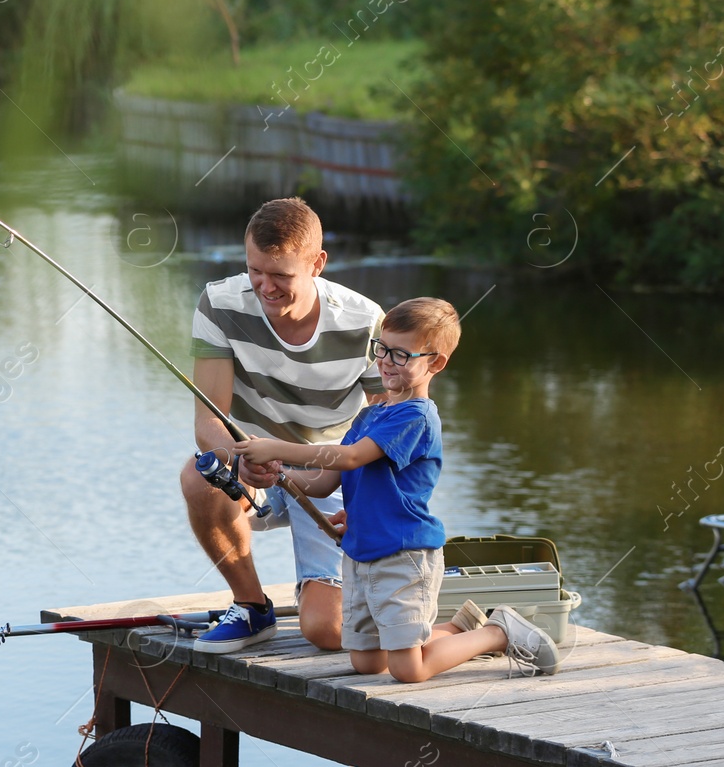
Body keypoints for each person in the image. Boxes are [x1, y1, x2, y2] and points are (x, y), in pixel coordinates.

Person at [232, 297, 559, 681]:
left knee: (408, 669)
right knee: (367, 662)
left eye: (401, 354)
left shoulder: (415, 416)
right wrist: (279, 473)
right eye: (382, 349)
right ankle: (460, 627)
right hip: (361, 553)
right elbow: (323, 482)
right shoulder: (372, 415)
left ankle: (498, 631)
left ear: (435, 363)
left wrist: (277, 446)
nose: (385, 361)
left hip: (404, 555)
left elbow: (351, 458)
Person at [183, 198, 384, 654]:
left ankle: (415, 605)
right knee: (200, 476)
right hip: (256, 465)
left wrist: (369, 503)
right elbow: (209, 420)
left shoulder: (364, 321)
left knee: (327, 632)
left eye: (281, 276)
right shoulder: (219, 302)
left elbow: (387, 431)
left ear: (317, 264)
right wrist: (240, 456)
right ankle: (252, 607)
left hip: (332, 478)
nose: (264, 286)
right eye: (255, 269)